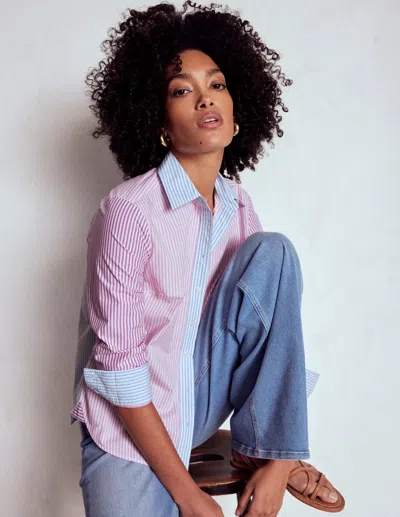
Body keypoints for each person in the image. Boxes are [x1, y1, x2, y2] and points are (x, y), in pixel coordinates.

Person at [70, 2, 345, 516]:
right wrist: (187, 494)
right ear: (160, 125)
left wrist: (277, 463)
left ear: (238, 116)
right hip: (130, 423)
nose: (205, 98)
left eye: (216, 84)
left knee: (275, 253)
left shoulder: (239, 206)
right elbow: (120, 366)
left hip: (200, 399)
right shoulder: (128, 211)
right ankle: (265, 452)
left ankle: (272, 449)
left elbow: (275, 332)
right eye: (182, 90)